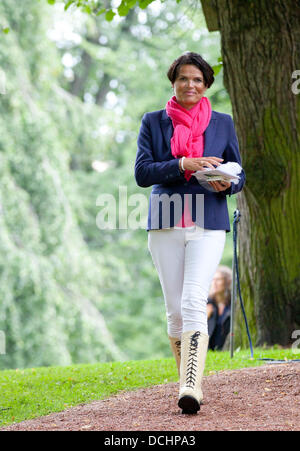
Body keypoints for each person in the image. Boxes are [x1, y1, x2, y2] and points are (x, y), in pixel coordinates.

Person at [134, 52, 245, 414]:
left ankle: (191, 387)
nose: (191, 85)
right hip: (165, 221)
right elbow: (143, 173)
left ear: (207, 84)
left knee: (193, 299)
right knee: (174, 311)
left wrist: (225, 184)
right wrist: (183, 164)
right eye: (184, 78)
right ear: (174, 82)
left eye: (197, 79)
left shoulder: (223, 123)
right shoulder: (153, 122)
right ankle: (187, 379)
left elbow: (239, 173)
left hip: (208, 223)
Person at [207, 265, 232, 350]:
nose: (214, 283)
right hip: (210, 349)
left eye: (218, 280)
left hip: (227, 347)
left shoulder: (234, 303)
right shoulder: (207, 303)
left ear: (227, 282)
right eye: (213, 280)